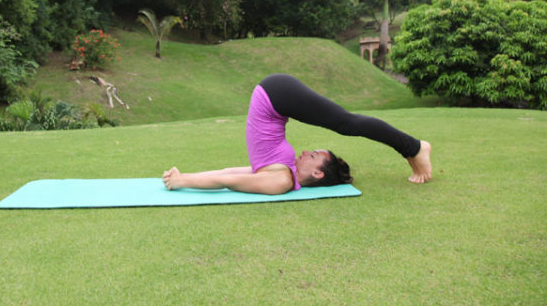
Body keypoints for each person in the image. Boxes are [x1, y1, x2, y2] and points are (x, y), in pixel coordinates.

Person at [162, 73, 432, 195]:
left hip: (275, 96)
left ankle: (415, 147)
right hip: (276, 96)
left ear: (317, 173)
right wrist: (182, 180)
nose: (305, 152)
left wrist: (182, 179)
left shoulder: (280, 180)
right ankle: (413, 148)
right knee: (346, 123)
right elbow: (230, 177)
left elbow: (229, 177)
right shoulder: (283, 173)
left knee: (347, 123)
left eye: (313, 155)